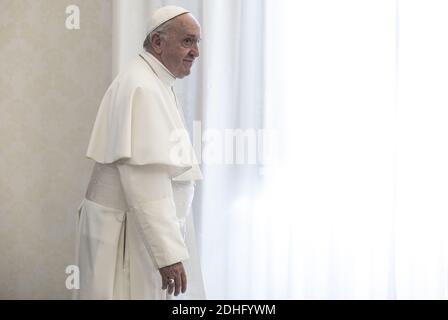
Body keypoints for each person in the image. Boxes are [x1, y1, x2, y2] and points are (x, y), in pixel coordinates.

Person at [74, 5, 204, 300]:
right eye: (187, 41)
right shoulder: (142, 86)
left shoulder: (153, 80)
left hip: (132, 227)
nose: (196, 51)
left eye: (197, 42)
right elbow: (146, 182)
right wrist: (168, 254)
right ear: (158, 42)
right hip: (124, 235)